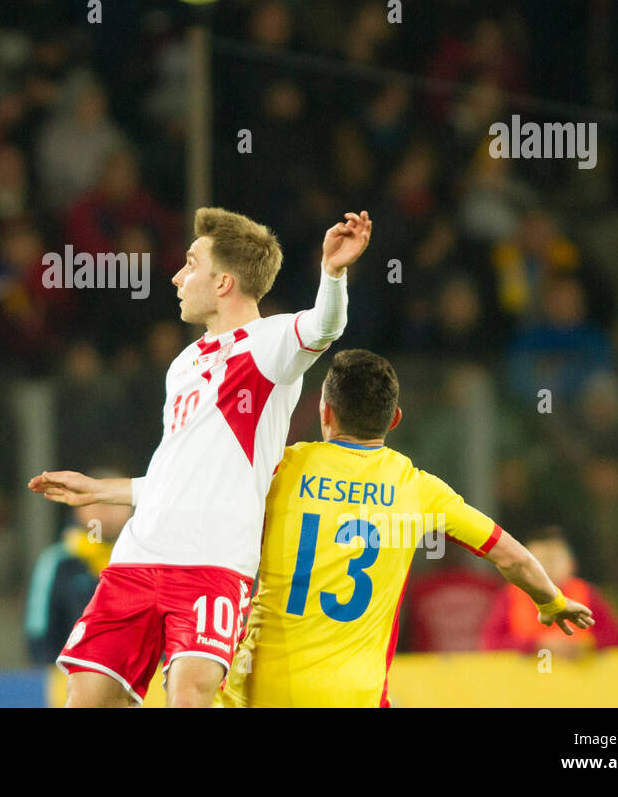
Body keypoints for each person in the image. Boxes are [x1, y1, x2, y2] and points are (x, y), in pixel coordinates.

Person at [28, 208, 371, 707]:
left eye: (191, 264)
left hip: (212, 563)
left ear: (225, 282)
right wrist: (103, 489)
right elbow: (179, 474)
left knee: (189, 694)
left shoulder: (269, 345)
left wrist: (333, 274)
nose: (177, 276)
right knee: (87, 696)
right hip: (139, 557)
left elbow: (324, 327)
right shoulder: (184, 364)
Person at [219, 349, 594, 707]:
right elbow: (511, 557)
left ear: (326, 412)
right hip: (353, 698)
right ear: (394, 418)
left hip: (256, 693)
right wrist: (551, 601)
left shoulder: (282, 467)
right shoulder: (417, 489)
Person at [481, 526, 618, 656]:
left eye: (555, 559)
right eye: (538, 561)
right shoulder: (510, 596)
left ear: (572, 564)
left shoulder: (587, 593)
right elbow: (490, 645)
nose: (548, 568)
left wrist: (586, 645)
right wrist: (537, 645)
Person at [24, 499, 133, 665]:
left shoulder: (147, 561)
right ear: (79, 509)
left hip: (147, 682)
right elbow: (39, 633)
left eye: (117, 502)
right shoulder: (58, 562)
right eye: (97, 502)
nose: (107, 511)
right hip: (73, 679)